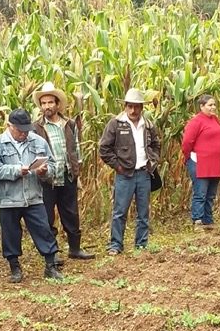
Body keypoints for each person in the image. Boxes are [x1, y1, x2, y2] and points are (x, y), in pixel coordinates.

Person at [0, 109, 63, 283]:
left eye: (26, 130)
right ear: (9, 126)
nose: (23, 134)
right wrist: (16, 170)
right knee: (10, 234)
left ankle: (50, 266)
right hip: (8, 199)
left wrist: (45, 171)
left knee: (43, 230)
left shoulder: (38, 141)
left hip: (33, 196)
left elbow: (51, 164)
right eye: (19, 130)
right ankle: (15, 268)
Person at [31, 82, 94, 264]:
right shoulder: (37, 128)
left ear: (57, 104)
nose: (46, 106)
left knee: (71, 214)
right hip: (47, 178)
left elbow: (75, 148)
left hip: (67, 175)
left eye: (50, 102)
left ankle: (75, 249)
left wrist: (77, 170)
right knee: (47, 216)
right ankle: (52, 252)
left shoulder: (69, 124)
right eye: (43, 103)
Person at [99, 88, 161, 255]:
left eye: (137, 107)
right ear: (125, 106)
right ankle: (116, 245)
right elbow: (104, 149)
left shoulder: (148, 125)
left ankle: (141, 244)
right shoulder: (115, 124)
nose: (133, 110)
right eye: (130, 106)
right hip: (125, 175)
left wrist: (153, 160)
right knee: (120, 211)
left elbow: (156, 144)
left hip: (144, 173)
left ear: (142, 107)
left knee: (143, 212)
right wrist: (118, 166)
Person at [181, 95, 220, 228]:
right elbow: (187, 142)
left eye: (214, 105)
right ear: (202, 107)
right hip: (200, 163)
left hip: (215, 163)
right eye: (210, 105)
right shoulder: (196, 121)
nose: (213, 107)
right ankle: (198, 220)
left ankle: (208, 219)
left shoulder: (215, 120)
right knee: (200, 192)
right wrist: (188, 157)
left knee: (211, 194)